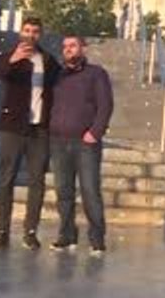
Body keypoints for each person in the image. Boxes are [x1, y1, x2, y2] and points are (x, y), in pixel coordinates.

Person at [0, 16, 59, 249]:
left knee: (37, 182)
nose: (31, 34)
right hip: (12, 127)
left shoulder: (47, 60)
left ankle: (30, 232)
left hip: (39, 129)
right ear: (21, 32)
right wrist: (14, 59)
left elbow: (60, 83)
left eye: (35, 31)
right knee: (6, 179)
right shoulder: (10, 55)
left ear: (40, 34)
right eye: (27, 30)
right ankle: (1, 230)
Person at [48, 35, 114, 255]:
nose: (68, 50)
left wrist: (95, 133)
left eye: (73, 46)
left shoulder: (96, 74)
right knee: (63, 192)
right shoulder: (57, 75)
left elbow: (105, 105)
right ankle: (67, 235)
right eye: (65, 46)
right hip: (58, 141)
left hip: (85, 143)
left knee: (90, 191)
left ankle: (97, 239)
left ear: (83, 48)